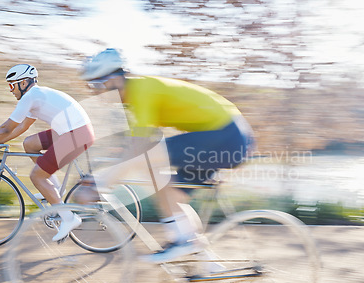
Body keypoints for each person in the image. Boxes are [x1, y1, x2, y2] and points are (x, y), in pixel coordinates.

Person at [81, 48, 254, 263]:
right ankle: (205, 262)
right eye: (90, 86)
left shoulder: (141, 91)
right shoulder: (135, 97)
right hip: (224, 137)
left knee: (148, 162)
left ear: (115, 79)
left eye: (97, 85)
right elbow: (142, 142)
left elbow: (140, 148)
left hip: (225, 135)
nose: (95, 92)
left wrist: (100, 183)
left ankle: (185, 243)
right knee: (170, 189)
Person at [0, 64, 95, 242]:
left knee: (37, 177)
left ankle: (68, 218)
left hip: (76, 134)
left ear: (24, 82)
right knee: (29, 144)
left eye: (12, 85)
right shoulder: (36, 96)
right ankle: (54, 188)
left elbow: (6, 127)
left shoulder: (31, 97)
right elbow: (21, 127)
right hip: (70, 132)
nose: (10, 90)